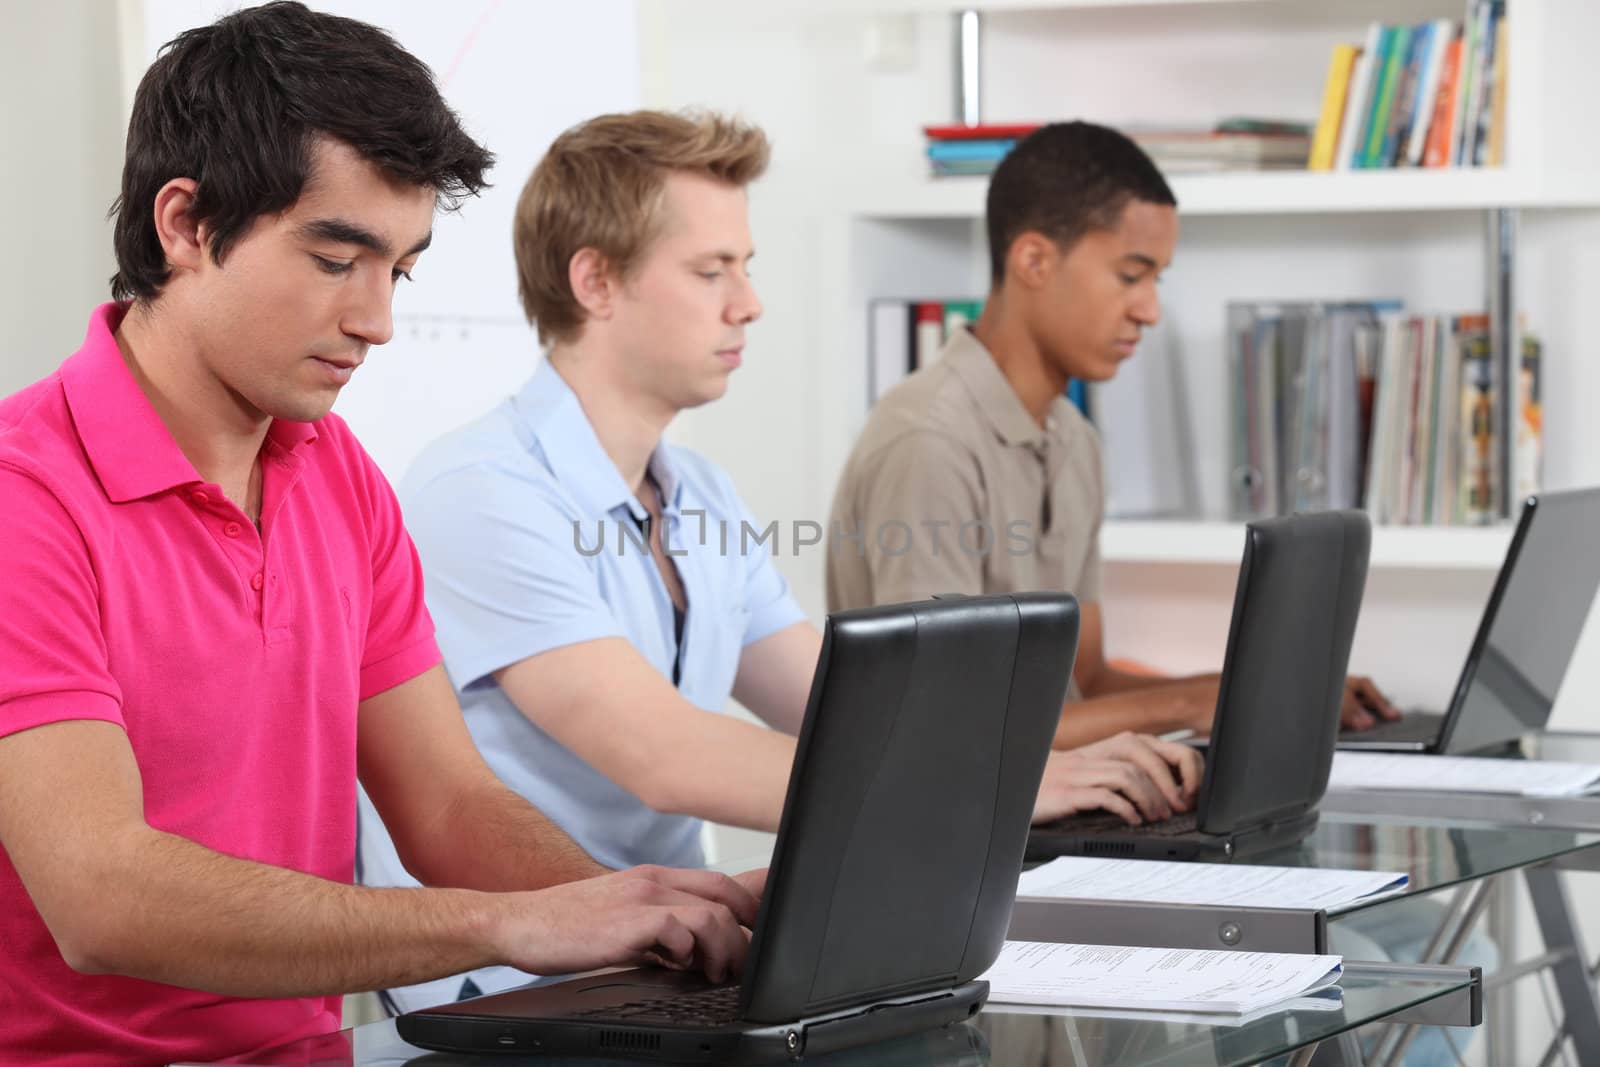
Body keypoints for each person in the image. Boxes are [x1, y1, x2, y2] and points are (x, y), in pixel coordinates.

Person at [0, 8, 758, 1065]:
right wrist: (506, 925)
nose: (376, 320)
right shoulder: (24, 496)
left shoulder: (338, 476)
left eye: (396, 270)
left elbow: (445, 801)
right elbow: (102, 895)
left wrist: (654, 905)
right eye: (334, 258)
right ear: (184, 224)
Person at [357, 109, 1204, 1012]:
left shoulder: (702, 494)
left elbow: (842, 709)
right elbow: (664, 753)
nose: (748, 301)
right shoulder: (479, 489)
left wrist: (1024, 772)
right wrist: (1002, 787)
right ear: (595, 281)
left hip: (679, 960)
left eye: (746, 268)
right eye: (711, 270)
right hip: (513, 988)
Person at [826, 121, 1401, 749]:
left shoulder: (1074, 440)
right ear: (1034, 261)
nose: (1150, 310)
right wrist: (1185, 703)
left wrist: (1264, 688)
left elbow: (1087, 683)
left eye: (1158, 279)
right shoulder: (928, 445)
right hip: (944, 835)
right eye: (1131, 276)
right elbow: (943, 728)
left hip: (1041, 808)